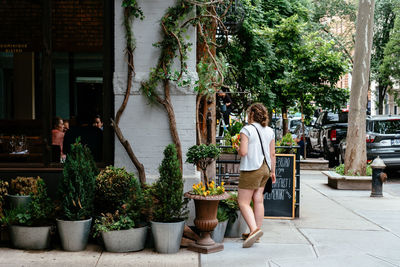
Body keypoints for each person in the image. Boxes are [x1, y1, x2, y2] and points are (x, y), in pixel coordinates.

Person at [237, 103, 276, 248]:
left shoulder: (246, 130)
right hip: (265, 168)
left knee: (243, 202)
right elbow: (272, 153)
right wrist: (273, 171)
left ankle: (253, 230)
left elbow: (243, 152)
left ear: (252, 114)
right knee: (258, 200)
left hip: (251, 169)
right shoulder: (270, 131)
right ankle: (257, 231)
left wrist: (237, 148)